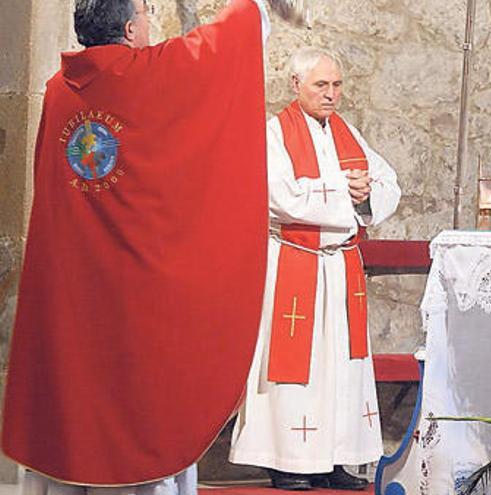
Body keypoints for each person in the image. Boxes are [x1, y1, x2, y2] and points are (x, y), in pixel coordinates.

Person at [1, 0, 287, 493]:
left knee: (72, 421)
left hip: (74, 298)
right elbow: (226, 42)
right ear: (131, 29)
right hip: (136, 309)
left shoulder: (55, 92)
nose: (151, 22)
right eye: (148, 13)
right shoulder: (151, 76)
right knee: (144, 422)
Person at [228, 47, 401, 491]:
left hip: (340, 268)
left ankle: (337, 458)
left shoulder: (347, 132)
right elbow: (282, 197)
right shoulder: (274, 133)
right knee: (295, 372)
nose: (331, 94)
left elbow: (388, 182)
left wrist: (364, 194)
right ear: (295, 85)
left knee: (342, 367)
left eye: (337, 85)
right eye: (321, 85)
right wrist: (346, 190)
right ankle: (288, 461)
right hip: (296, 264)